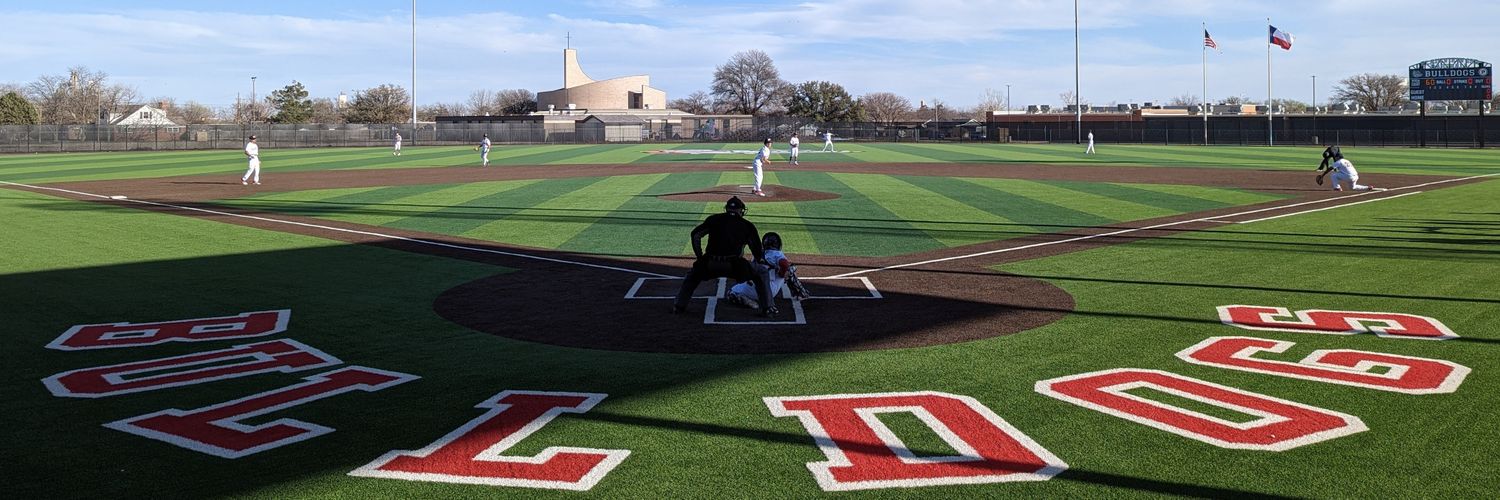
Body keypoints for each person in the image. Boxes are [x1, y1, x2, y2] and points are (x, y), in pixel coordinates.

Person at [672, 196, 777, 318]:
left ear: (726, 209)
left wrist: (700, 258)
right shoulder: (747, 225)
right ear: (741, 211)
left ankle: (679, 306)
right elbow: (757, 250)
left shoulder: (713, 219)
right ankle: (768, 308)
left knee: (692, 276)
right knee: (762, 272)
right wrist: (759, 260)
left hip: (710, 264)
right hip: (735, 266)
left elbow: (695, 235)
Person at [725, 232, 808, 309]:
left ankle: (744, 299)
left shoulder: (757, 254)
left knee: (731, 293)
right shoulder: (776, 254)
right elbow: (784, 264)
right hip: (769, 290)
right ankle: (801, 293)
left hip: (751, 287)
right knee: (790, 268)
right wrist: (783, 274)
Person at [1320, 149, 1384, 192]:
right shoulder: (1347, 160)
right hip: (1355, 176)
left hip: (1349, 177)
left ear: (1337, 157)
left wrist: (1322, 175)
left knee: (1334, 175)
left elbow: (1330, 169)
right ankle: (1368, 187)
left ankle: (1337, 188)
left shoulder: (1339, 161)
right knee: (1352, 188)